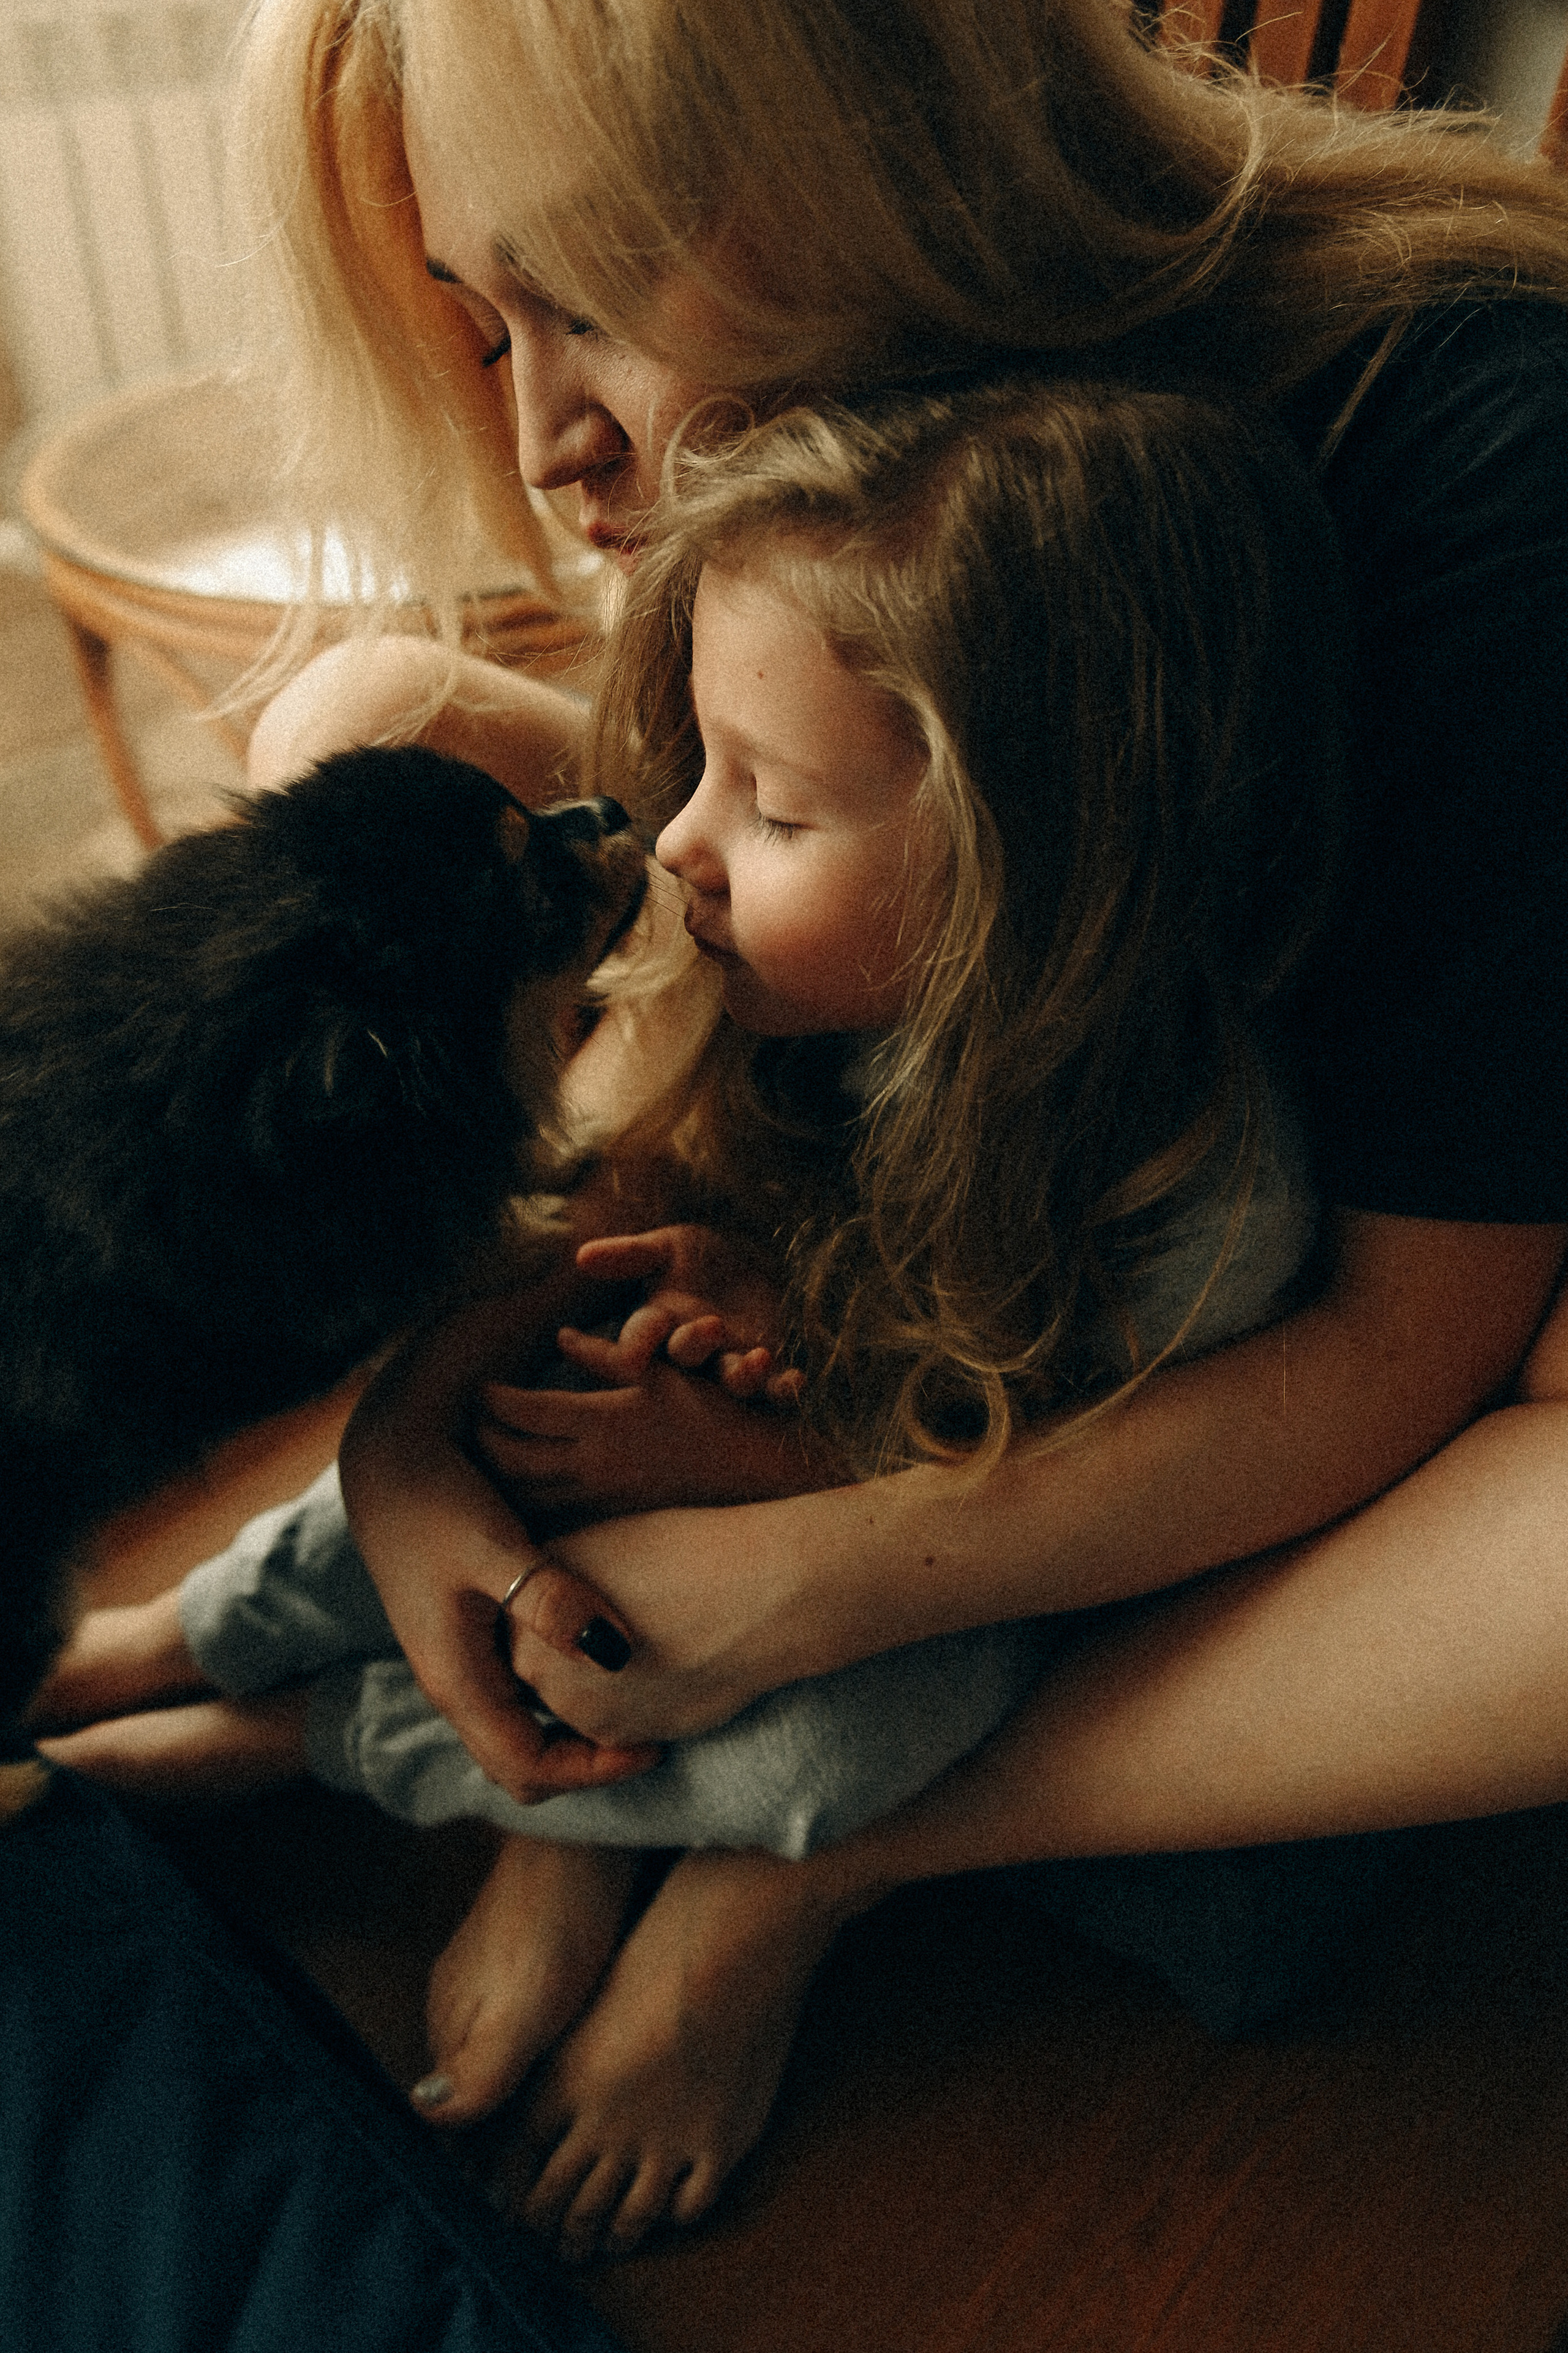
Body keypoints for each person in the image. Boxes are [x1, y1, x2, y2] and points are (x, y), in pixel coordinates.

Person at [49, 0, 1568, 2261]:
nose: (548, 443)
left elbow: (1397, 1329)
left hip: (1317, 1261)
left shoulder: (1472, 453)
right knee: (366, 718)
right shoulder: (834, 406)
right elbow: (743, 930)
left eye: (581, 299)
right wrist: (415, 1437)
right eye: (485, 321)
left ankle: (844, 1849)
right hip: (945, 1079)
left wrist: (791, 1581)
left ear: (856, 176)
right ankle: (370, 1670)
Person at [40, 371, 1330, 2231]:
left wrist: (767, 1450)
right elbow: (578, 1244)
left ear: (1052, 888)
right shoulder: (770, 989)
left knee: (852, 1750)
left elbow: (1079, 1515)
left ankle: (323, 1742)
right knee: (514, 1389)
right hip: (759, 1428)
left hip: (946, 1568)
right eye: (705, 767)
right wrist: (710, 1308)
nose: (676, 844)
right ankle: (175, 1633)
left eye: (776, 809)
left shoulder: (1199, 1198)